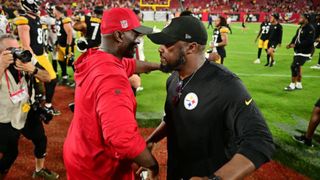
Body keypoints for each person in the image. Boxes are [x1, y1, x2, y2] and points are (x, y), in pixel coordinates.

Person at [146, 15, 275, 179]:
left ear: (191, 47)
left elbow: (261, 140)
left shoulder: (226, 84)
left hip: (209, 172)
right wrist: (151, 140)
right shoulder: (173, 79)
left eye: (168, 43)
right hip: (176, 170)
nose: (160, 48)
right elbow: (172, 117)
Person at [63, 8, 161, 179]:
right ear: (118, 36)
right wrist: (153, 165)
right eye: (135, 35)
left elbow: (131, 64)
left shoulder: (96, 56)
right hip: (99, 168)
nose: (138, 41)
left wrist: (161, 66)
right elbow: (123, 139)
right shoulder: (112, 78)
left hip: (80, 151)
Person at [0, 34, 54, 179]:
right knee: (11, 153)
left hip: (26, 109)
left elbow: (48, 77)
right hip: (5, 117)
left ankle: (39, 170)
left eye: (17, 48)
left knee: (41, 140)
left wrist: (32, 69)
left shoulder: (26, 59)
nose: (17, 53)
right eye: (11, 50)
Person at [14, 0, 60, 115]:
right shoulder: (24, 20)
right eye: (35, 2)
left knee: (49, 80)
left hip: (41, 54)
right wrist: (35, 62)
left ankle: (42, 103)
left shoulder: (37, 18)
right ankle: (40, 107)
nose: (37, 4)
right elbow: (25, 45)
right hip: (33, 56)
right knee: (48, 79)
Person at [284, 14, 315, 91]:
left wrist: (296, 45)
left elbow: (309, 41)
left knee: (294, 66)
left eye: (302, 18)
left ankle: (292, 85)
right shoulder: (300, 28)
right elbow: (295, 37)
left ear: (306, 20)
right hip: (298, 51)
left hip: (304, 52)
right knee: (298, 67)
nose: (299, 19)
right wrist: (290, 44)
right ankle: (299, 84)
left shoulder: (310, 29)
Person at [53, 5, 73, 85]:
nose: (53, 12)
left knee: (71, 62)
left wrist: (68, 47)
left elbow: (69, 33)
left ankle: (79, 80)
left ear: (58, 11)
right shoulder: (57, 20)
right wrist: (57, 43)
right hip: (61, 45)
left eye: (54, 10)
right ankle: (65, 76)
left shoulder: (65, 20)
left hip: (66, 45)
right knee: (61, 61)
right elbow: (59, 33)